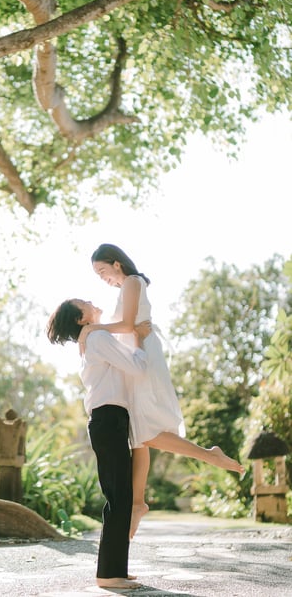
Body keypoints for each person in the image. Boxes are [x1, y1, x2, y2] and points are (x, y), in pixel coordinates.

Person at [78, 243, 244, 538]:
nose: (102, 278)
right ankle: (138, 502)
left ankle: (209, 455)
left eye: (102, 270)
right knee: (138, 437)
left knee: (145, 432)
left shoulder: (132, 281)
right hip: (135, 356)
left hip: (144, 356)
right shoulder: (124, 288)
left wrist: (93, 329)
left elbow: (129, 324)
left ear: (117, 264)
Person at [46, 297, 152, 590]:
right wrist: (140, 340)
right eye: (85, 302)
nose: (92, 301)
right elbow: (138, 367)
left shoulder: (94, 337)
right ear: (82, 318)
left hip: (108, 419)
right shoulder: (98, 337)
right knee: (118, 498)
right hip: (109, 419)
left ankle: (115, 569)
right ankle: (108, 574)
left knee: (120, 496)